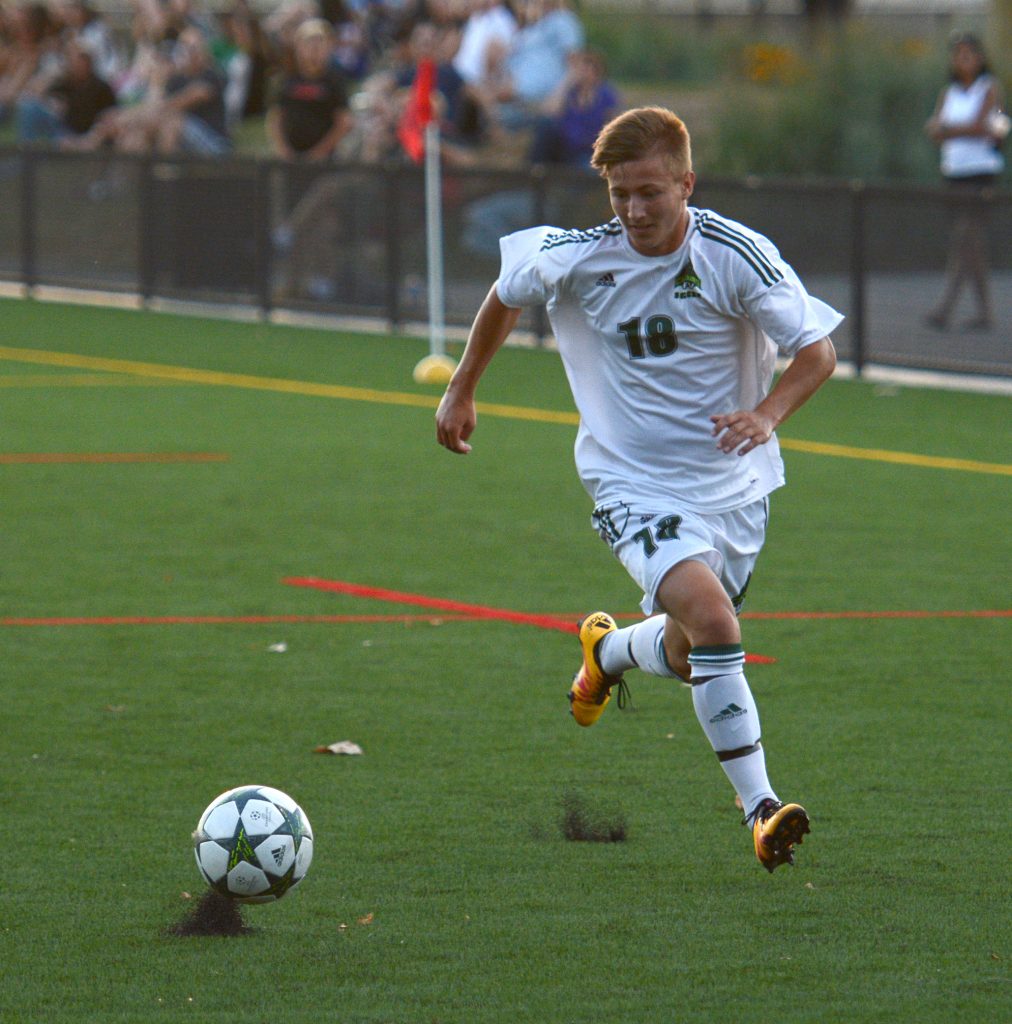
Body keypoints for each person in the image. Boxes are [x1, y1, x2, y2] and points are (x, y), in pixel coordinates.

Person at [435, 107, 842, 872]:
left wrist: (765, 413)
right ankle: (760, 810)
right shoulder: (582, 255)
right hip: (630, 480)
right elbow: (506, 288)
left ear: (687, 182)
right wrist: (462, 390)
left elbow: (816, 351)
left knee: (691, 656)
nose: (634, 210)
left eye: (651, 192)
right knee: (716, 624)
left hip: (734, 486)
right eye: (620, 194)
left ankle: (608, 650)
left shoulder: (737, 256)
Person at [924, 33, 1007, 332]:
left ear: (980, 57)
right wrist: (955, 130)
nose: (963, 59)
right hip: (954, 172)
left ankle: (945, 307)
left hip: (980, 172)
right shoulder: (949, 92)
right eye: (958, 54)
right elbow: (935, 128)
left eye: (969, 53)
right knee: (971, 245)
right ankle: (985, 313)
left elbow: (984, 127)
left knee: (965, 237)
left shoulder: (988, 89)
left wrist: (950, 130)